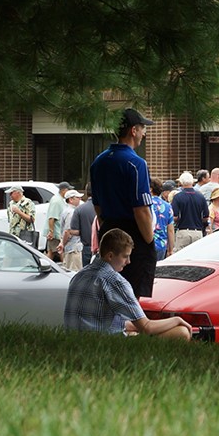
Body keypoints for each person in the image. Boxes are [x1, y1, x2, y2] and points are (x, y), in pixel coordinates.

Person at [63, 228, 193, 339]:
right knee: (181, 332)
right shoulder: (114, 281)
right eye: (125, 256)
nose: (129, 261)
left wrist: (134, 327)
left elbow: (96, 320)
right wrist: (177, 320)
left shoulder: (80, 275)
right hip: (103, 344)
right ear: (110, 256)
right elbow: (147, 327)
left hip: (75, 340)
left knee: (132, 329)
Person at [89, 107, 157, 298]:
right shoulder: (136, 164)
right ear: (133, 130)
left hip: (108, 230)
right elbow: (141, 210)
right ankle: (129, 328)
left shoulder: (98, 162)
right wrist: (149, 242)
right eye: (143, 128)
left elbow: (97, 204)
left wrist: (108, 229)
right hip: (134, 232)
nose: (144, 133)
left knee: (109, 291)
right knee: (131, 296)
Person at [171, 171, 209, 251]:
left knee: (180, 258)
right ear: (193, 182)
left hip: (183, 231)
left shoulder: (177, 197)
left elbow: (175, 216)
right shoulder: (200, 196)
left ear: (181, 182)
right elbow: (205, 216)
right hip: (198, 232)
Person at [65, 184, 96, 266]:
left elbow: (74, 231)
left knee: (87, 274)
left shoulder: (79, 209)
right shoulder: (104, 207)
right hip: (103, 247)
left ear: (86, 192)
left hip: (87, 247)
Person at [45, 182, 70, 260]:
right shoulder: (57, 201)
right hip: (55, 232)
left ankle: (46, 266)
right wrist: (51, 231)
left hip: (57, 231)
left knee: (52, 252)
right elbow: (52, 217)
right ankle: (65, 268)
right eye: (68, 190)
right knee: (60, 251)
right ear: (63, 190)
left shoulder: (59, 199)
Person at [61, 190, 85, 269]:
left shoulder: (67, 210)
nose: (79, 199)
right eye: (77, 197)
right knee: (74, 271)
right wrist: (63, 244)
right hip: (73, 249)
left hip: (71, 248)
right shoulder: (71, 213)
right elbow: (68, 231)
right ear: (70, 199)